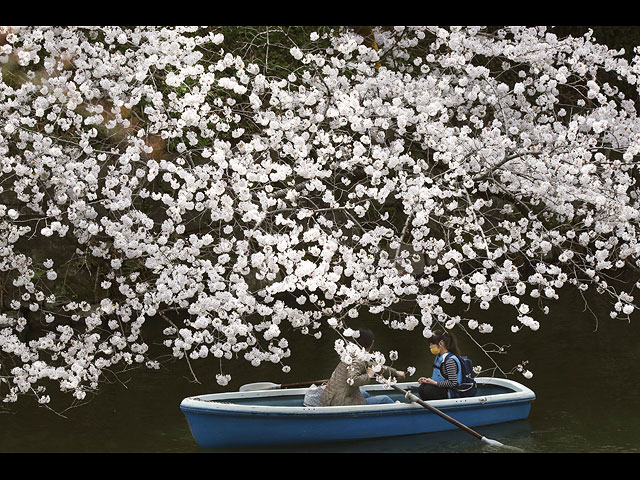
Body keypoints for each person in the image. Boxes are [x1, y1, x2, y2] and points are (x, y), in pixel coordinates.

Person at [320, 328, 405, 406]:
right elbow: (353, 379)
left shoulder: (350, 353)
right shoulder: (358, 360)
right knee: (385, 399)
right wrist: (368, 375)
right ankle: (398, 408)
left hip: (331, 397)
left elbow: (376, 367)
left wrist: (395, 372)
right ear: (371, 343)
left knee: (365, 394)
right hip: (341, 401)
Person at [415, 329, 473, 400]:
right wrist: (427, 380)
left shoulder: (450, 361)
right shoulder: (439, 357)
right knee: (422, 388)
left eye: (432, 344)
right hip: (442, 388)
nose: (430, 346)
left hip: (452, 392)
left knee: (428, 390)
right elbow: (439, 376)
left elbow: (453, 383)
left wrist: (435, 383)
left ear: (441, 343)